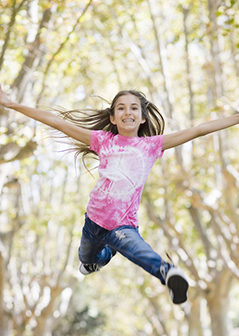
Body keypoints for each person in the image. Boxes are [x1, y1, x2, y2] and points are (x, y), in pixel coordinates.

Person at [1, 85, 239, 305]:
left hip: (122, 226)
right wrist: (12, 104)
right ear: (113, 118)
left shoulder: (152, 145)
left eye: (134, 108)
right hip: (93, 221)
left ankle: (168, 273)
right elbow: (57, 123)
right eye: (121, 108)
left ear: (143, 117)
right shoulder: (102, 140)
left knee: (140, 252)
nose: (128, 112)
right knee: (87, 258)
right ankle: (98, 260)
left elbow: (199, 130)